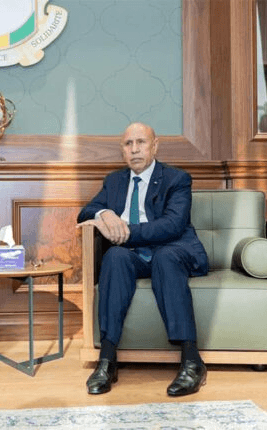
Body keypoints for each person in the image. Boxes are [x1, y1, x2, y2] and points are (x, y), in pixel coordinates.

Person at [76, 122, 209, 397]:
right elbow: (86, 212)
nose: (134, 149)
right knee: (114, 256)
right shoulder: (115, 181)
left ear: (154, 146)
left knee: (164, 257)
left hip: (174, 250)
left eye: (141, 142)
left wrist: (123, 232)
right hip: (135, 257)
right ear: (122, 150)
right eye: (128, 144)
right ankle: (107, 360)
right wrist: (104, 215)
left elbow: (172, 226)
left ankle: (192, 360)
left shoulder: (177, 179)